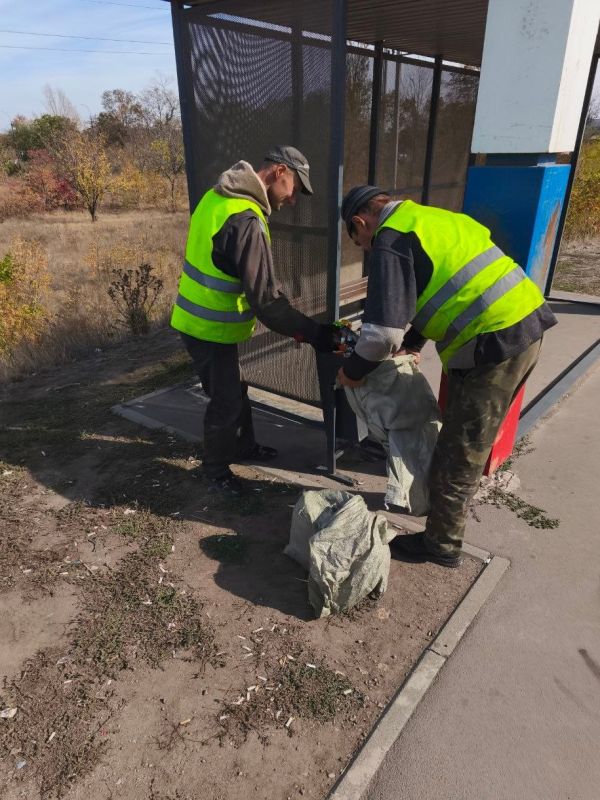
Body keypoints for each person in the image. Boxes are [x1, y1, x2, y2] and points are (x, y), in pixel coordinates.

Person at [338, 185, 557, 568]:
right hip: (521, 324)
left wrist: (353, 371)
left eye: (360, 242)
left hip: (495, 343)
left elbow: (382, 334)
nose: (367, 250)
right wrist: (415, 342)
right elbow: (440, 285)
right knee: (460, 436)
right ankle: (441, 518)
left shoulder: (390, 240)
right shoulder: (432, 218)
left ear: (360, 222)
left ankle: (441, 545)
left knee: (461, 449)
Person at [171, 145, 337, 494]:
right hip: (208, 327)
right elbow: (267, 303)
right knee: (226, 399)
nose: (293, 200)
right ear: (279, 172)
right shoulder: (246, 220)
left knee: (234, 388)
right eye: (295, 188)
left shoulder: (218, 198)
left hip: (199, 320)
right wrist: (316, 334)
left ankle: (244, 447)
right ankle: (215, 471)